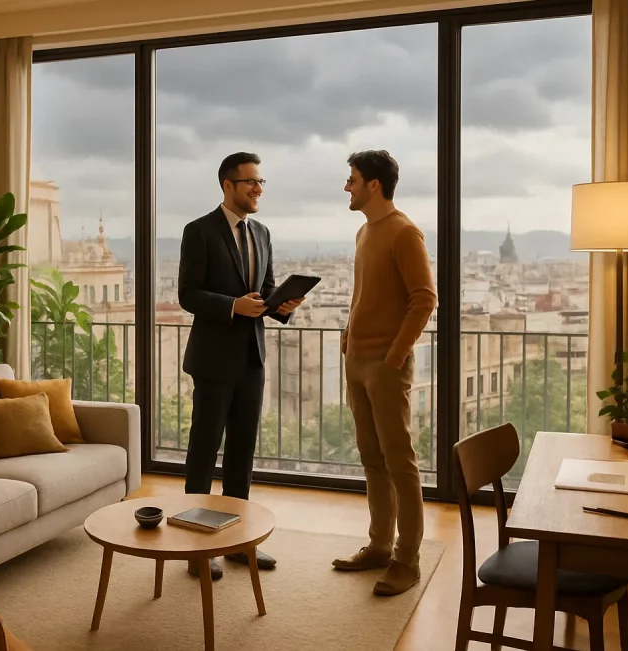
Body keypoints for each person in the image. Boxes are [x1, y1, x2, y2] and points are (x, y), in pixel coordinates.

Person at [178, 152, 304, 581]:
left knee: (241, 455)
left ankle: (237, 544)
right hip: (213, 360)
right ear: (227, 186)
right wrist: (233, 305)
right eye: (250, 182)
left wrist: (281, 305)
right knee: (203, 453)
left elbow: (264, 291)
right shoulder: (198, 231)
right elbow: (188, 295)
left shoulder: (263, 233)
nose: (258, 189)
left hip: (252, 358)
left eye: (261, 182)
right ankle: (197, 546)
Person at [333, 149, 437, 596]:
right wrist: (348, 335)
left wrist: (395, 356)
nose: (347, 187)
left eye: (352, 179)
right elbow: (366, 294)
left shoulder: (404, 232)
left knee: (400, 464)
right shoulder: (364, 232)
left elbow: (424, 298)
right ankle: (378, 546)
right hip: (358, 362)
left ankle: (407, 560)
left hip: (386, 366)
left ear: (373, 185)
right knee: (372, 460)